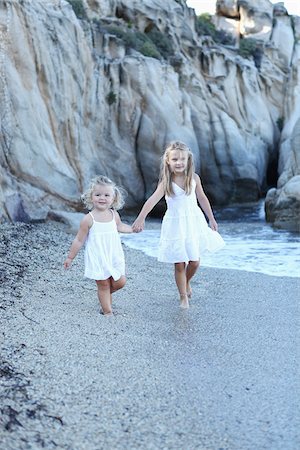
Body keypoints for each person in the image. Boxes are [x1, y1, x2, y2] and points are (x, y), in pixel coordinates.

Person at [132, 141, 225, 309]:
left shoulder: (194, 178)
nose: (179, 162)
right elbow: (152, 200)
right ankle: (183, 297)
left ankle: (186, 281)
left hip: (193, 223)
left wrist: (211, 218)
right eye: (175, 159)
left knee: (195, 261)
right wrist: (141, 218)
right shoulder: (166, 181)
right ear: (168, 161)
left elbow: (203, 199)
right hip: (175, 225)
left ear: (188, 160)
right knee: (179, 262)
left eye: (182, 159)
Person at [64, 175, 133, 316]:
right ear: (91, 197)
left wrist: (133, 229)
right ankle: (107, 312)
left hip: (113, 254)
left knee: (120, 281)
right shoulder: (89, 219)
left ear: (113, 198)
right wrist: (70, 257)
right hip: (98, 256)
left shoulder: (114, 215)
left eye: (107, 195)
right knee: (103, 284)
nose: (102, 198)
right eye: (98, 194)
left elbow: (120, 227)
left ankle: (104, 298)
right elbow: (78, 240)